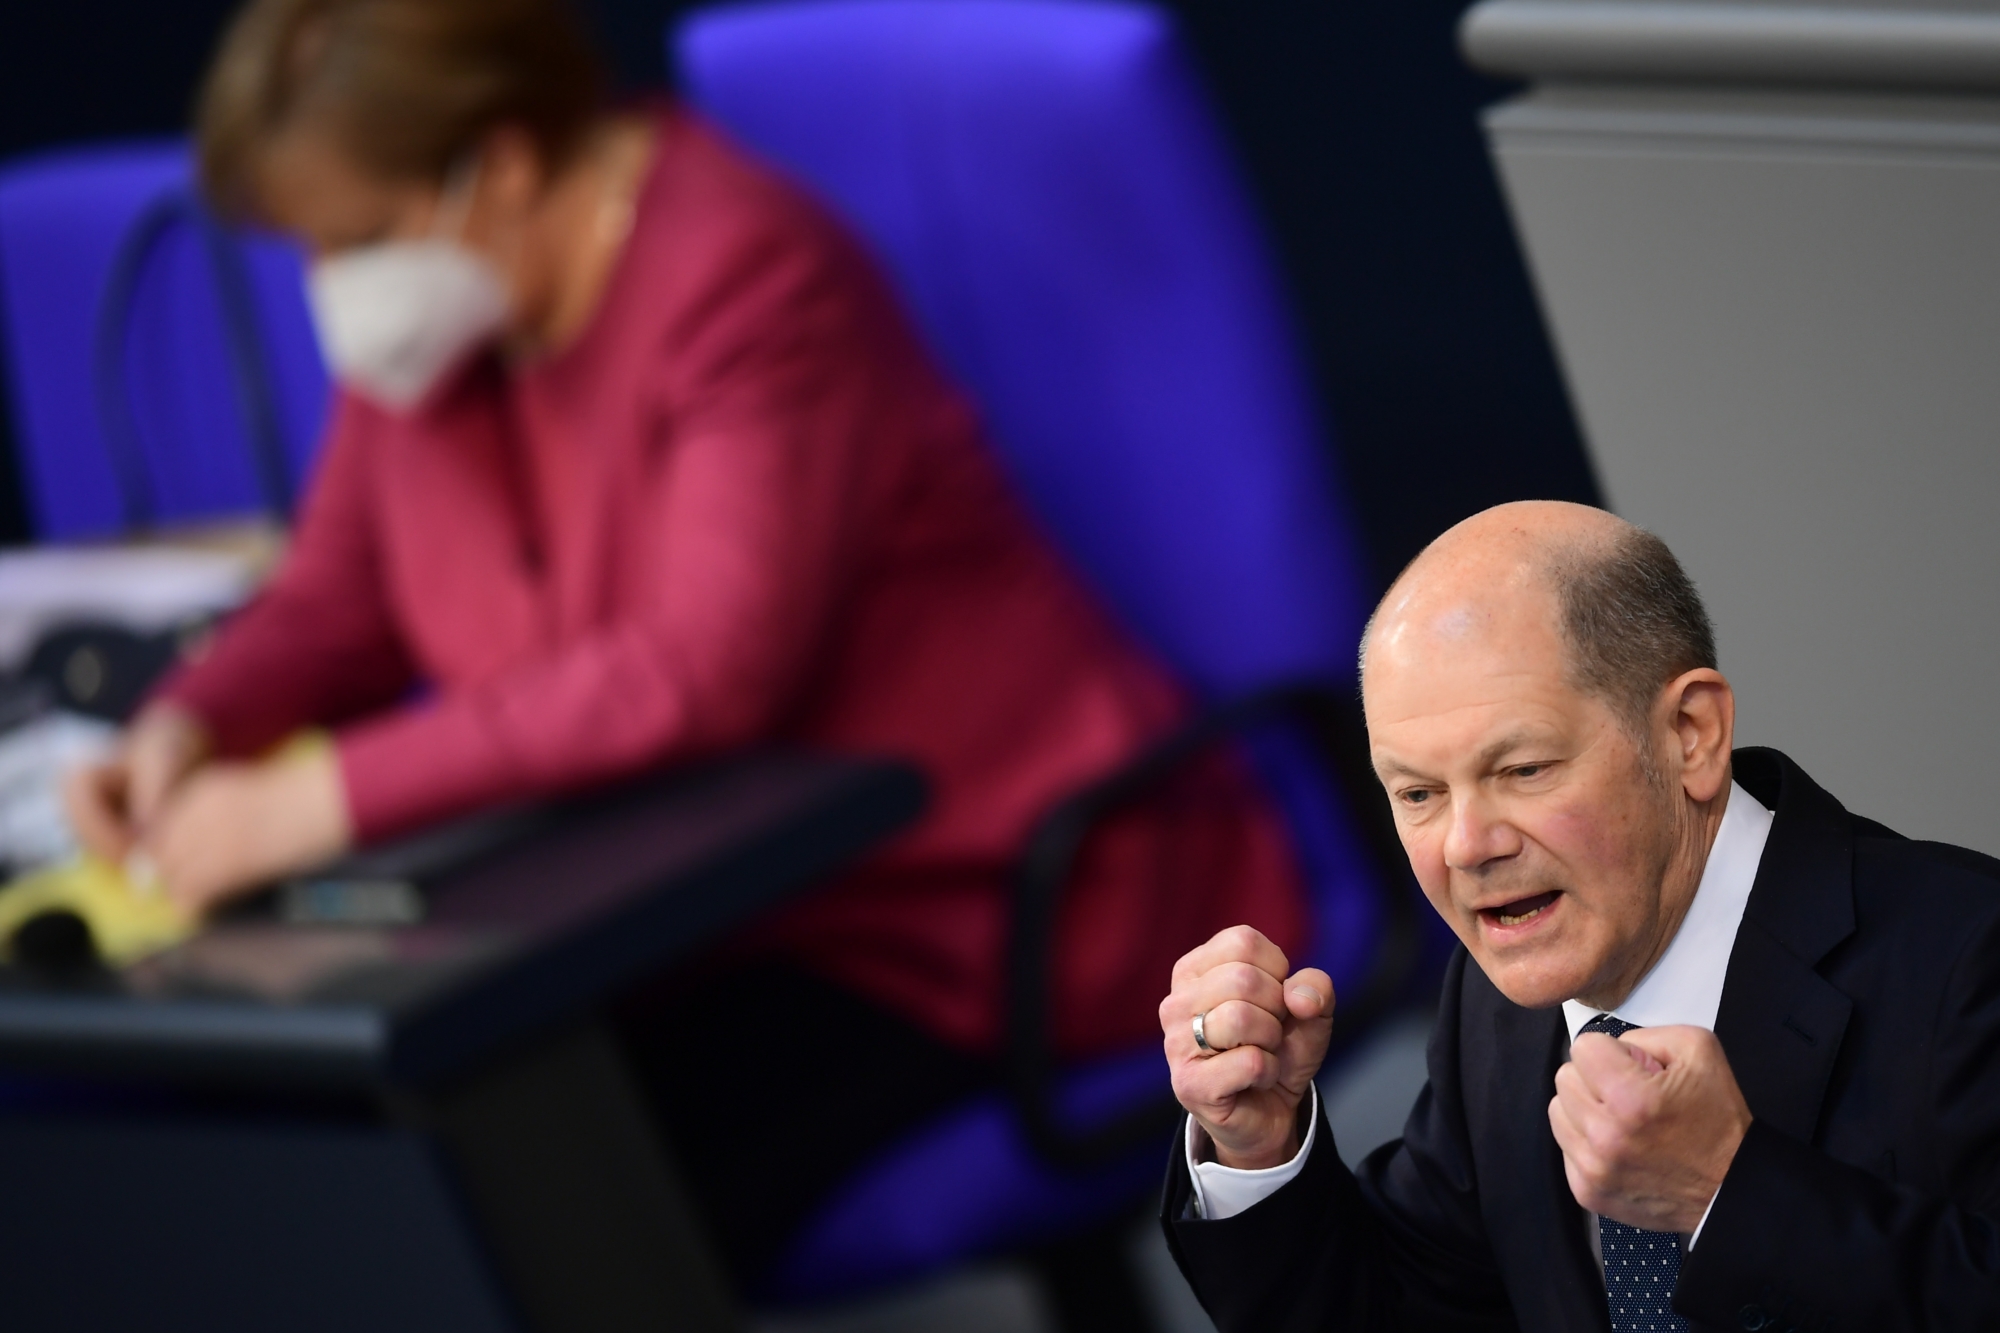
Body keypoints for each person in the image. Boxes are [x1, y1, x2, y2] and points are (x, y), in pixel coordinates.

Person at [59, 0, 1307, 1287]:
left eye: (357, 241)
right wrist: (191, 721)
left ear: (498, 164)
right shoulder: (449, 323)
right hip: (693, 915)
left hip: (959, 906)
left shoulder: (746, 274)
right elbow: (337, 595)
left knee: (525, 1211)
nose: (336, 295)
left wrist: (316, 799)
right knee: (373, 1165)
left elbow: (698, 666)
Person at [1159, 499, 2000, 1331]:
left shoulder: (1970, 954)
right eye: (1418, 792)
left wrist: (1727, 1194)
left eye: (1522, 769)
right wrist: (1256, 1148)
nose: (1466, 844)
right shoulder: (1494, 1006)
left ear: (1690, 734)